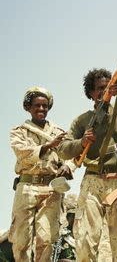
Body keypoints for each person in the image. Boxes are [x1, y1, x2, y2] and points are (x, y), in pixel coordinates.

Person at [57, 68, 117, 261]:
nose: (103, 91)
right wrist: (80, 142)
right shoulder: (83, 120)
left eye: (107, 87)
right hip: (91, 182)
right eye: (99, 88)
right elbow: (63, 148)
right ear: (91, 93)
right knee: (84, 240)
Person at [9, 87, 74, 261]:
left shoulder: (59, 132)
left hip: (51, 189)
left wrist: (68, 166)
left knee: (46, 240)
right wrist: (48, 146)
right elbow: (22, 152)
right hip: (26, 188)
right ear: (28, 107)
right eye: (37, 105)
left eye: (45, 106)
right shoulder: (19, 131)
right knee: (21, 240)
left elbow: (69, 155)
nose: (41, 109)